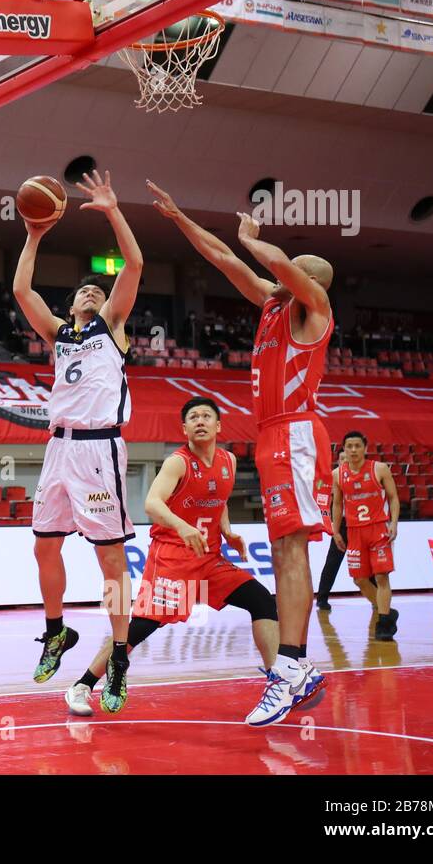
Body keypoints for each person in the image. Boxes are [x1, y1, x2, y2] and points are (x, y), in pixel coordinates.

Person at [150, 180, 333, 722]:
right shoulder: (273, 307)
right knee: (282, 553)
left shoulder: (314, 309)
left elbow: (272, 262)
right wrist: (181, 217)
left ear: (306, 282)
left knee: (293, 551)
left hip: (297, 432)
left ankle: (292, 665)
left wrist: (256, 239)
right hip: (271, 435)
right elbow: (223, 257)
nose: (276, 277)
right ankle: (292, 667)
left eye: (290, 272)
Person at [11, 170, 144, 712]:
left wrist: (113, 209)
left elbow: (134, 265)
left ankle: (118, 656)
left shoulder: (110, 326)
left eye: (98, 287)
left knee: (111, 563)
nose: (92, 290)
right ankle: (57, 630)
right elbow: (22, 289)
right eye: (83, 290)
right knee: (44, 544)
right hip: (58, 448)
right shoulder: (60, 335)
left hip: (98, 449)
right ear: (70, 308)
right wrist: (35, 233)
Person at [65, 398, 284, 724]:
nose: (200, 420)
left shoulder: (229, 462)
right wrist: (182, 526)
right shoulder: (177, 463)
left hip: (209, 559)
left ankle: (278, 680)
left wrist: (227, 531)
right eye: (193, 417)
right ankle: (82, 685)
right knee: (137, 629)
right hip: (172, 559)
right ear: (184, 429)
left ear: (218, 426)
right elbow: (153, 503)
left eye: (206, 416)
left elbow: (219, 499)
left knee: (262, 601)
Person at [331, 430, 401, 640]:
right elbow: (336, 504)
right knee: (359, 580)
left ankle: (384, 621)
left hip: (378, 528)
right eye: (349, 446)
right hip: (354, 531)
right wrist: (335, 530)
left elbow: (393, 498)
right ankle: (386, 610)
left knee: (381, 576)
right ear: (344, 449)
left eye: (357, 446)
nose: (353, 450)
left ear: (365, 448)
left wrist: (394, 523)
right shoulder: (337, 474)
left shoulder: (379, 468)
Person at [316, 450, 351, 611]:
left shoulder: (358, 475)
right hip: (341, 523)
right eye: (341, 458)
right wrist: (333, 527)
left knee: (367, 564)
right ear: (338, 460)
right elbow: (328, 501)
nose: (344, 460)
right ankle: (322, 598)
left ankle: (376, 597)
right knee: (332, 562)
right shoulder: (334, 476)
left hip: (359, 524)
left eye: (346, 458)